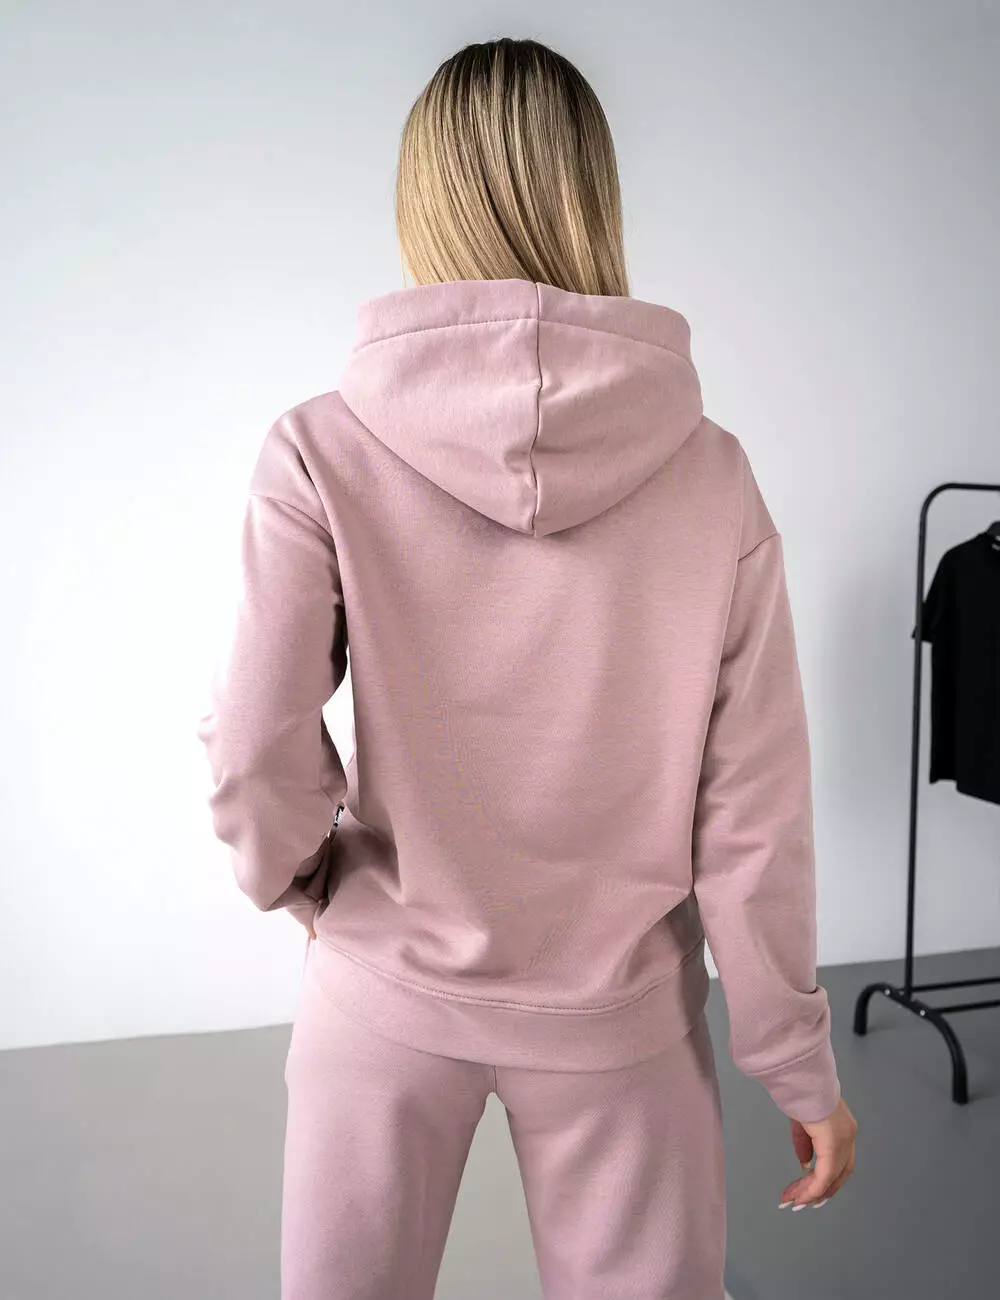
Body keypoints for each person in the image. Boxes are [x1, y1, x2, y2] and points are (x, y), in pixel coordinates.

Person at [197, 35, 858, 1300]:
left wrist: (303, 881)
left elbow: (251, 739)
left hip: (385, 991)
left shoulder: (319, 450)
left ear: (422, 203)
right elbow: (753, 816)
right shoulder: (713, 475)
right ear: (592, 197)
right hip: (622, 1017)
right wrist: (794, 1063)